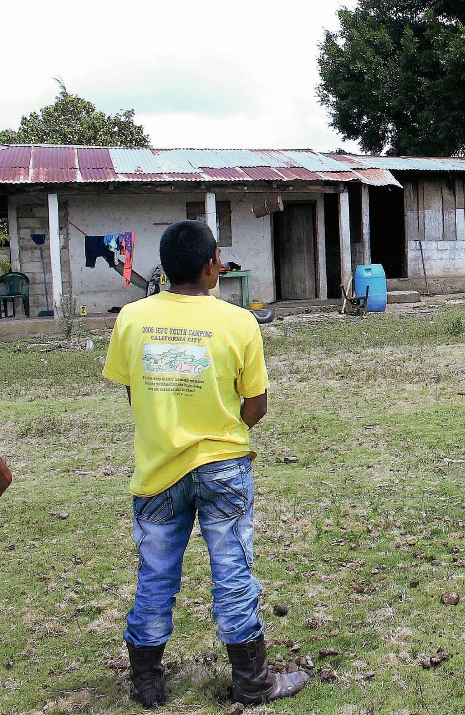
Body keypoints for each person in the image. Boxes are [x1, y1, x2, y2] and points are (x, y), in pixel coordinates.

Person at [102, 220, 308, 707]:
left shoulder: (131, 318)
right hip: (223, 466)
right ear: (210, 264)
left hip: (157, 470)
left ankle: (148, 683)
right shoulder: (239, 322)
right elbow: (256, 407)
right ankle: (253, 680)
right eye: (218, 255)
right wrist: (219, 424)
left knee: (155, 574)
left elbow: (136, 395)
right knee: (233, 571)